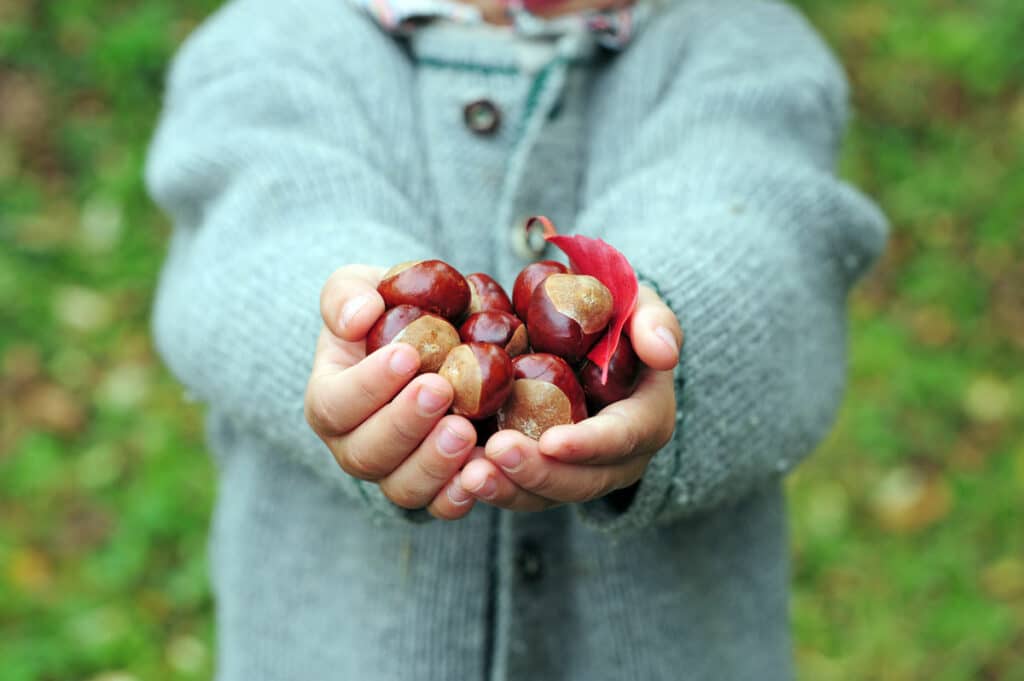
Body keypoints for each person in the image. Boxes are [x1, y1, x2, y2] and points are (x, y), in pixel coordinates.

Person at [146, 0, 887, 678]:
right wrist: (348, 325)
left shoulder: (742, 44)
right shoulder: (271, 40)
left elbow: (761, 229)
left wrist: (667, 334)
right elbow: (264, 226)